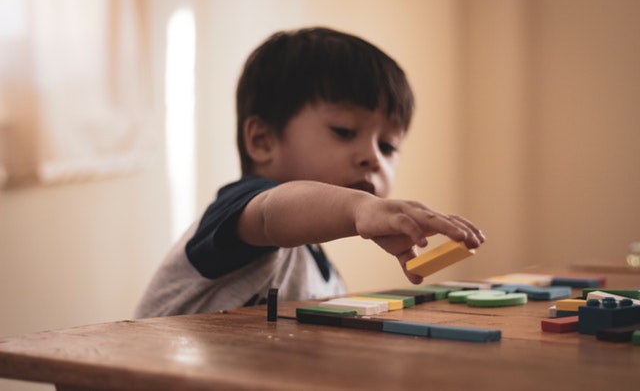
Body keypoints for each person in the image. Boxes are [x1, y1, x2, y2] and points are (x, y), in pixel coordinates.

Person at [134, 27, 485, 318]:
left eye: (388, 146)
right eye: (345, 131)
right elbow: (274, 213)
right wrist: (357, 208)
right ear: (263, 140)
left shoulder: (325, 277)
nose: (373, 158)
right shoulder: (243, 213)